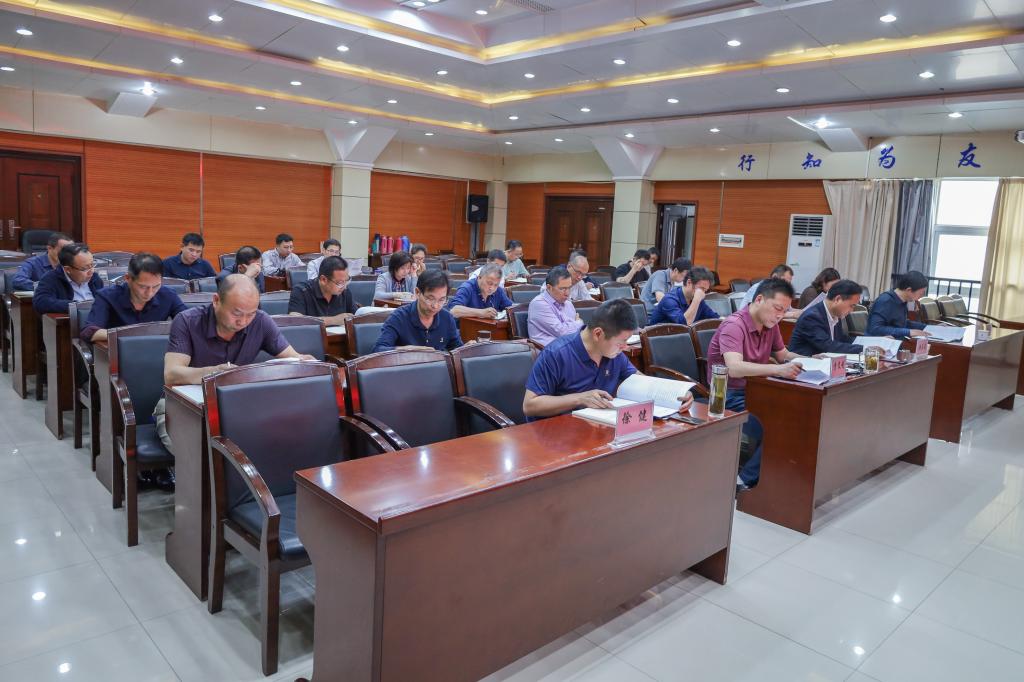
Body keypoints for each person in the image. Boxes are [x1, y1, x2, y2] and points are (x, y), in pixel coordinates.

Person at [157, 274, 315, 448]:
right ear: (216, 301)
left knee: (279, 438)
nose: (243, 321)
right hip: (184, 406)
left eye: (251, 314)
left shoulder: (260, 321)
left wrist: (305, 362)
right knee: (193, 451)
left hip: (236, 405)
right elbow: (171, 374)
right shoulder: (187, 321)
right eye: (236, 313)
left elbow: (293, 358)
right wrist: (214, 373)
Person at [523, 298, 694, 420]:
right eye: (621, 342)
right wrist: (579, 399)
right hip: (557, 435)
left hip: (599, 429)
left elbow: (640, 381)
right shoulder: (556, 354)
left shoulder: (613, 354)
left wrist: (676, 394)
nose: (625, 347)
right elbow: (530, 406)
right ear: (598, 334)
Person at [706, 278, 803, 491]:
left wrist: (814, 360)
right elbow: (734, 368)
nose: (780, 315)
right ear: (759, 299)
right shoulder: (734, 325)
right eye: (777, 308)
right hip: (727, 395)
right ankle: (743, 481)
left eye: (785, 311)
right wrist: (777, 370)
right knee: (780, 426)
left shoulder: (770, 324)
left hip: (758, 390)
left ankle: (780, 477)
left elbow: (783, 354)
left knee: (800, 415)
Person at [80, 252, 187, 343]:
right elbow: (90, 332)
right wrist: (135, 333)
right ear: (128, 278)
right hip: (118, 355)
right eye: (143, 287)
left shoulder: (168, 295)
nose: (150, 293)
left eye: (156, 286)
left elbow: (188, 323)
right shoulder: (107, 296)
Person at [372, 269, 463, 352]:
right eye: (430, 299)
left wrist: (467, 349)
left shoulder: (447, 318)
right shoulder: (399, 317)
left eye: (441, 300)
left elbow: (457, 349)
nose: (435, 306)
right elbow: (378, 350)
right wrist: (406, 350)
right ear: (417, 292)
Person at [788, 279, 864, 356]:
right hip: (804, 361)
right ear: (837, 299)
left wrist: (864, 342)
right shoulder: (811, 317)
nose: (851, 310)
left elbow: (840, 338)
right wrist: (864, 349)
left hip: (824, 360)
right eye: (851, 306)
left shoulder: (836, 313)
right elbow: (828, 346)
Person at [33, 243, 104, 314]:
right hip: (71, 319)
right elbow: (41, 303)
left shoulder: (94, 277)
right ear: (68, 269)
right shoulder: (51, 278)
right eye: (85, 268)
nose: (92, 271)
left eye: (92, 264)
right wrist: (76, 306)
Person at [288, 256, 359, 326]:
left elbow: (357, 317)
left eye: (346, 281)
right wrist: (334, 320)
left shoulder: (344, 291)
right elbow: (295, 321)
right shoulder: (301, 290)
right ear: (323, 280)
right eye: (340, 283)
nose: (345, 286)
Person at [528, 266, 583, 347]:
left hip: (568, 347)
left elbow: (574, 333)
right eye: (563, 289)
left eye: (569, 288)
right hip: (547, 350)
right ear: (549, 287)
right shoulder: (539, 304)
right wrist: (579, 323)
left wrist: (572, 326)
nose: (567, 293)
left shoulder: (568, 304)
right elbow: (563, 332)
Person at [648, 266, 719, 326]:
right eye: (701, 289)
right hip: (659, 336)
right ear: (689, 282)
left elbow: (714, 318)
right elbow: (685, 324)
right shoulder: (669, 299)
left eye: (705, 290)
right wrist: (696, 301)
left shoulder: (697, 299)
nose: (703, 293)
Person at [867, 270, 929, 337]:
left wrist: (927, 327)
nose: (921, 296)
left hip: (894, 340)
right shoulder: (885, 301)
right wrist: (908, 332)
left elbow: (901, 323)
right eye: (921, 293)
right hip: (878, 341)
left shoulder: (903, 301)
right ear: (909, 290)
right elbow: (875, 329)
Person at [446, 263, 513, 319]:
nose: (492, 288)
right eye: (489, 283)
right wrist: (481, 312)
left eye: (496, 285)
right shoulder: (467, 288)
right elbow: (454, 311)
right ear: (479, 277)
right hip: (465, 328)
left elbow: (511, 308)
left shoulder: (498, 290)